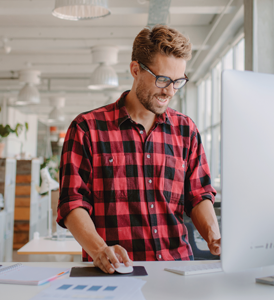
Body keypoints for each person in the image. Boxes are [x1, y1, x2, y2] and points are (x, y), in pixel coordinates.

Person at [56, 25, 221, 274]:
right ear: (135, 70)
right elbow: (72, 203)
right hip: (114, 273)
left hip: (177, 271)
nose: (170, 91)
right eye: (163, 79)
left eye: (178, 81)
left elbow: (198, 195)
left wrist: (214, 237)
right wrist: (99, 249)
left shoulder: (186, 130)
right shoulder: (87, 128)